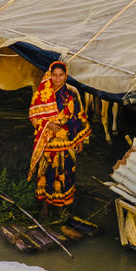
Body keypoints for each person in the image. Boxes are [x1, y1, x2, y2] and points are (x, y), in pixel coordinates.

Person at [28, 61, 89, 214]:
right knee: (47, 172)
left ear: (65, 75)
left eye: (61, 75)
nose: (57, 79)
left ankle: (63, 205)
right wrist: (47, 125)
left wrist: (80, 139)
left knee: (67, 172)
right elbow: (33, 116)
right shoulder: (42, 93)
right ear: (50, 75)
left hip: (67, 140)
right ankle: (46, 205)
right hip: (48, 141)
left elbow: (79, 115)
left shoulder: (72, 92)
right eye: (54, 75)